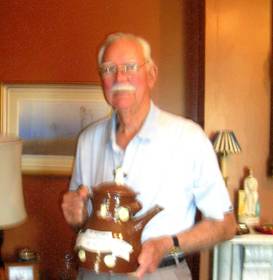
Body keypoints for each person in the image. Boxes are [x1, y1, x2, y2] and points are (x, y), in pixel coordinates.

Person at [62, 32, 236, 280]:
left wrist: (168, 243)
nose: (120, 77)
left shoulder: (188, 137)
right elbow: (82, 222)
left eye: (130, 66)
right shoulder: (87, 140)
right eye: (109, 68)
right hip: (94, 272)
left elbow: (225, 225)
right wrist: (76, 217)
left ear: (151, 74)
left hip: (161, 273)